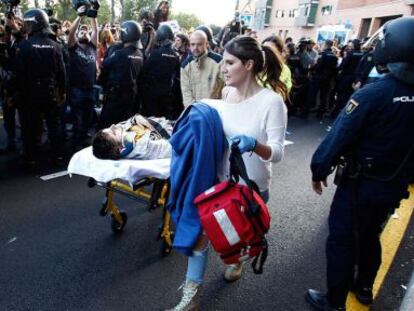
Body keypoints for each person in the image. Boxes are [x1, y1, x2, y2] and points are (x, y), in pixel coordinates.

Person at [168, 35, 288, 311]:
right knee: (200, 237)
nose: (223, 68)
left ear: (248, 64)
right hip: (219, 184)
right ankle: (191, 296)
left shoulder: (272, 102)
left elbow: (278, 153)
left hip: (252, 189)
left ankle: (235, 260)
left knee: (235, 236)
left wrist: (255, 146)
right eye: (223, 61)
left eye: (230, 62)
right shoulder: (225, 94)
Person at [306, 17, 414, 311]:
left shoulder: (372, 94)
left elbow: (339, 136)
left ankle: (334, 301)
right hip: (393, 186)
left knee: (342, 239)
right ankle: (364, 286)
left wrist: (320, 168)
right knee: (369, 235)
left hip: (360, 184)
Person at [15, 9, 66, 165]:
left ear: (32, 24)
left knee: (30, 127)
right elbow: (62, 73)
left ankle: (31, 157)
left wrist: (14, 95)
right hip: (50, 92)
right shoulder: (56, 46)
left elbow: (18, 75)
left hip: (30, 95)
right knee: (53, 126)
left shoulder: (24, 46)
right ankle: (57, 156)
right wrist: (62, 92)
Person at [97, 20, 143, 129]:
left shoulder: (119, 53)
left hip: (115, 98)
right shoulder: (140, 54)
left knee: (105, 127)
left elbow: (104, 64)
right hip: (131, 98)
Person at [67, 7, 98, 149]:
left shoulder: (92, 46)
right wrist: (79, 16)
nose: (84, 32)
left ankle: (83, 140)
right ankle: (75, 142)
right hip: (77, 90)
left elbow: (96, 30)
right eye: (81, 31)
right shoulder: (74, 48)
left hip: (90, 89)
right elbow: (72, 32)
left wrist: (93, 16)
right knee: (77, 119)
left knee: (88, 118)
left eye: (86, 31)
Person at [140, 24, 181, 120]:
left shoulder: (154, 53)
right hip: (167, 94)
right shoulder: (176, 55)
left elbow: (144, 72)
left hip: (151, 95)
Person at [92, 114, 173, 160]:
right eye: (113, 132)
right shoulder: (143, 147)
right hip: (174, 128)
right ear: (120, 149)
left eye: (110, 128)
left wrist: (136, 118)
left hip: (167, 123)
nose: (113, 126)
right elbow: (173, 146)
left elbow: (128, 122)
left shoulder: (122, 134)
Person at [180, 30, 222, 108]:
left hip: (215, 111)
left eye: (199, 44)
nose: (195, 48)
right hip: (195, 112)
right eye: (192, 44)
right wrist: (194, 111)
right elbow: (186, 93)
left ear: (206, 44)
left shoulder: (219, 62)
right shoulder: (185, 65)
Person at [304, 39, 338, 119]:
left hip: (318, 77)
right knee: (324, 97)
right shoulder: (334, 56)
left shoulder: (322, 54)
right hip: (328, 79)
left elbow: (317, 65)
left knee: (312, 95)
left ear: (326, 45)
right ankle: (320, 114)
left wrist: (310, 70)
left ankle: (305, 113)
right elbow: (335, 68)